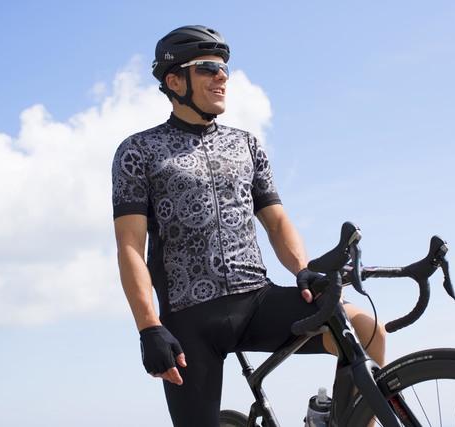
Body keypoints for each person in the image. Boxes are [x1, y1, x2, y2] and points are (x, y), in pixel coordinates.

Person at [112, 25, 386, 427]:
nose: (221, 77)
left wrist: (303, 270)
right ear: (174, 81)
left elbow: (276, 221)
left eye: (224, 69)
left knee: (367, 329)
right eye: (207, 68)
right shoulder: (137, 151)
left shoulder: (246, 144)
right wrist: (148, 327)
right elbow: (130, 247)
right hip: (190, 321)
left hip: (257, 300)